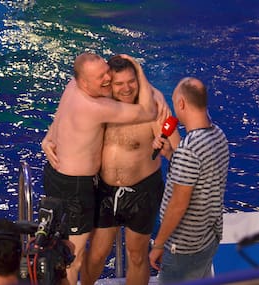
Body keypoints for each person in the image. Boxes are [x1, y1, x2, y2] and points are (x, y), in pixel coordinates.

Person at [41, 52, 158, 285]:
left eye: (107, 72)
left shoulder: (72, 86)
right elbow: (148, 112)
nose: (107, 79)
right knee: (72, 256)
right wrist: (141, 72)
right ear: (84, 82)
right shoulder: (95, 106)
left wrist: (48, 136)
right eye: (101, 77)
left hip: (55, 176)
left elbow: (60, 115)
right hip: (75, 186)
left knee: (58, 248)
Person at [79, 55, 180, 285]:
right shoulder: (101, 108)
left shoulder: (153, 109)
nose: (126, 88)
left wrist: (168, 152)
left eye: (131, 82)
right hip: (105, 192)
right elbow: (78, 85)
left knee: (136, 255)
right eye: (119, 83)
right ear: (108, 85)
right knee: (96, 254)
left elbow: (179, 152)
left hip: (142, 192)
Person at [148, 77, 230, 284]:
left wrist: (158, 244)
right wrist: (170, 155)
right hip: (208, 237)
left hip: (184, 246)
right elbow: (203, 175)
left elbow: (178, 204)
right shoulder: (218, 135)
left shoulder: (188, 148)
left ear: (182, 103)